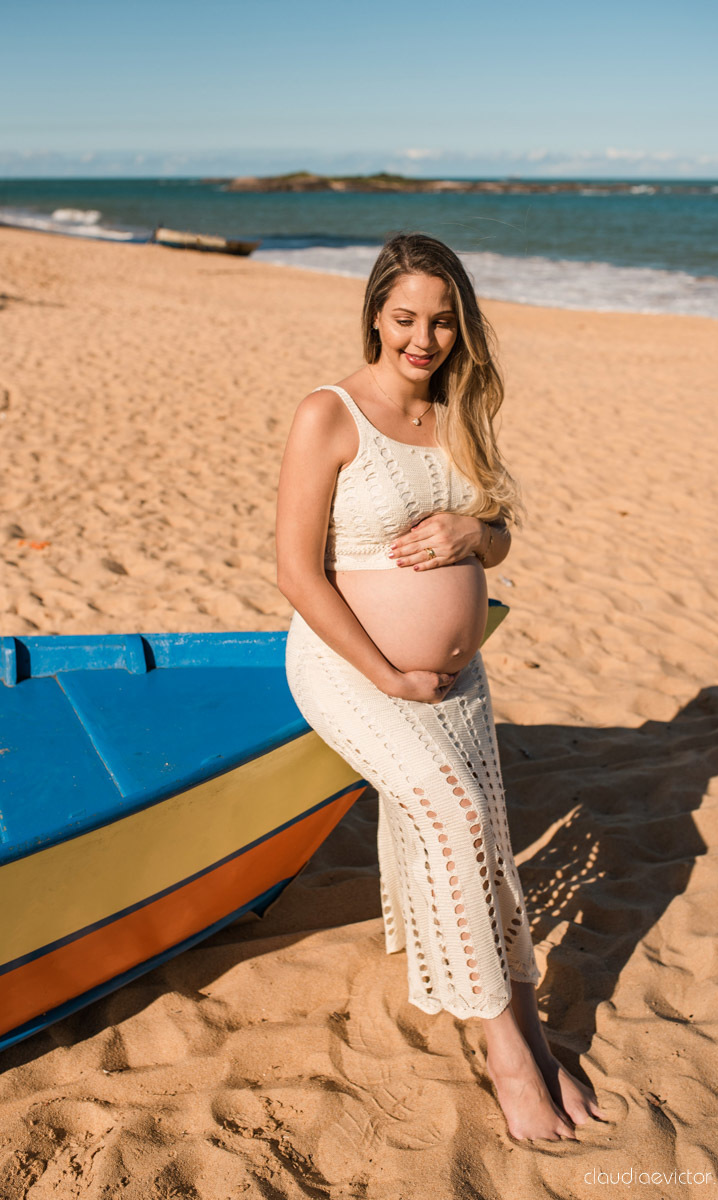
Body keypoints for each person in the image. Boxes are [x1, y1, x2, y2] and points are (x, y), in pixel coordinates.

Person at [276, 232, 606, 1142]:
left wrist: (472, 537)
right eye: (407, 318)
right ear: (377, 313)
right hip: (352, 670)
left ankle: (532, 1030)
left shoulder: (458, 412)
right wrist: (387, 673)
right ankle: (508, 1049)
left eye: (444, 321)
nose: (424, 338)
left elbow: (497, 538)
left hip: (456, 678)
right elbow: (298, 575)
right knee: (456, 816)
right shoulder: (329, 413)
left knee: (485, 835)